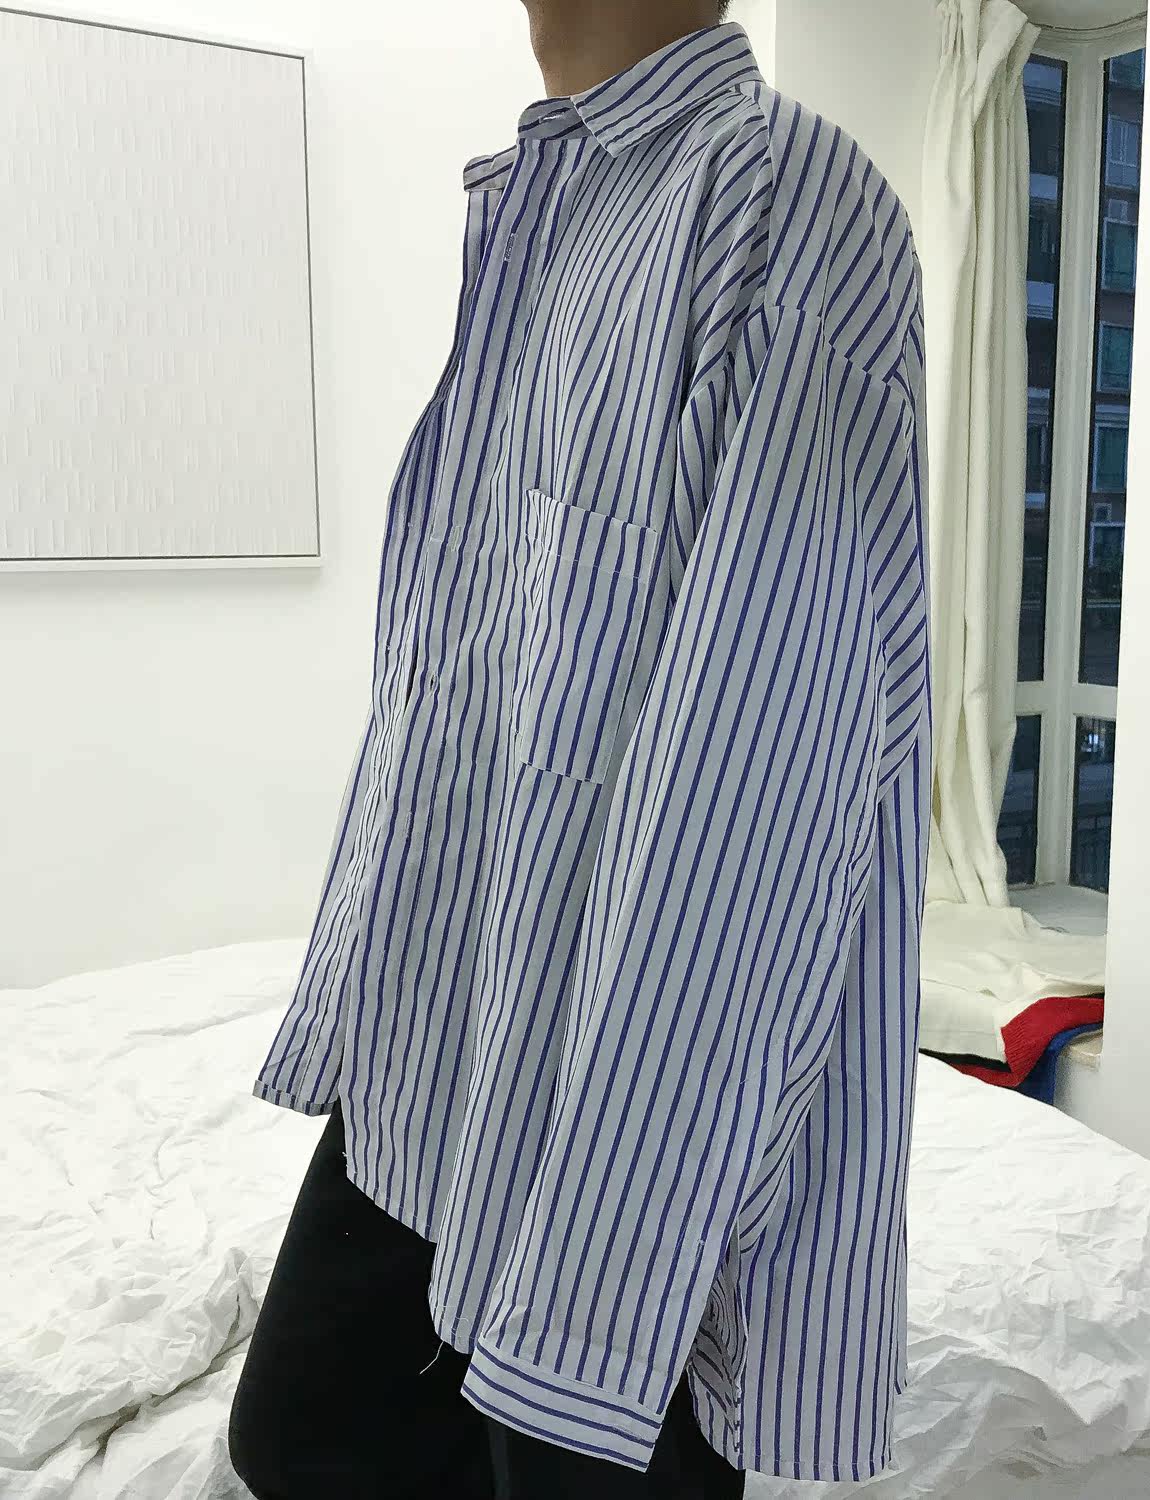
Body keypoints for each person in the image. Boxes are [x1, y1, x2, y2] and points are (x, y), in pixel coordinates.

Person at [229, 1, 930, 1495]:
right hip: (443, 1052)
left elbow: (758, 797)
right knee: (291, 1437)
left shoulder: (779, 196)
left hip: (608, 1136)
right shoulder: (542, 207)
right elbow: (462, 706)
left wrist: (600, 1282)